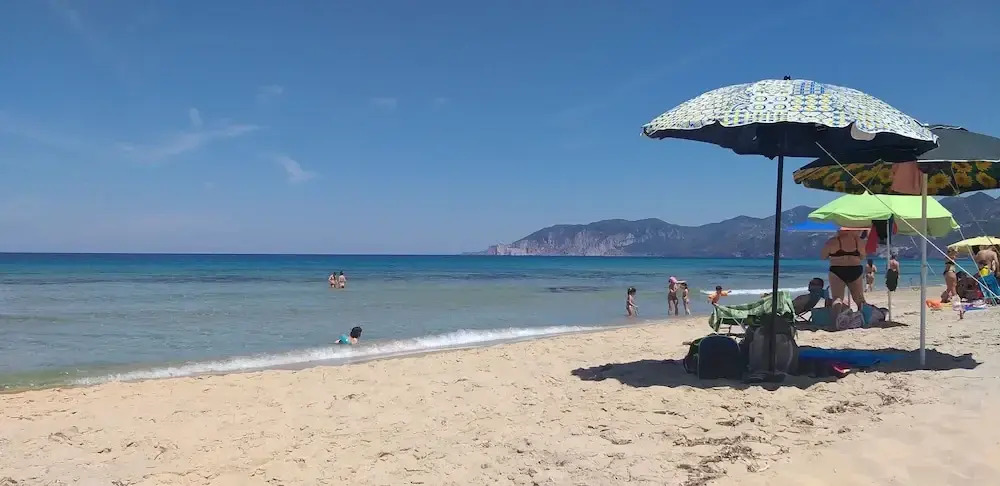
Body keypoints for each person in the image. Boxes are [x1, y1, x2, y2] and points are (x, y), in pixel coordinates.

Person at [821, 228, 867, 317]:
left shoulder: (832, 241)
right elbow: (862, 257)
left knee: (837, 299)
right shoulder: (859, 242)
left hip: (837, 269)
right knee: (859, 298)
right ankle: (864, 318)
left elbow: (823, 256)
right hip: (855, 269)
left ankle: (836, 320)